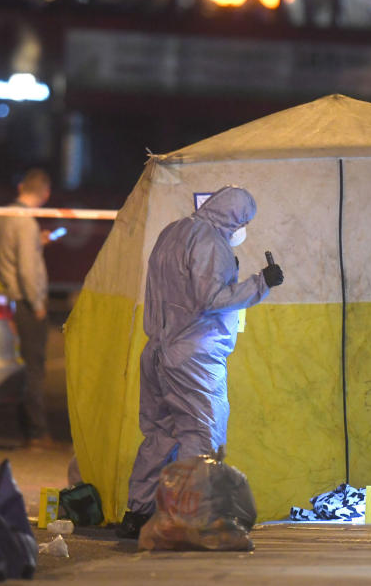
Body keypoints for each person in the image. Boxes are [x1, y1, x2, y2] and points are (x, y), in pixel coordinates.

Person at [116, 186, 284, 538]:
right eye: (246, 220)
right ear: (234, 217)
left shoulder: (173, 232)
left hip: (159, 351)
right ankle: (187, 519)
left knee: (160, 435)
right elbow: (212, 298)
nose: (245, 228)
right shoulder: (210, 243)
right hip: (194, 355)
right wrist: (261, 283)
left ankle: (138, 514)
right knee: (201, 435)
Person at [0, 168, 54, 447]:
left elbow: (6, 255)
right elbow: (27, 270)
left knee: (21, 367)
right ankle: (37, 433)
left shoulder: (2, 215)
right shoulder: (26, 223)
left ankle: (27, 430)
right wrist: (37, 303)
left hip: (5, 298)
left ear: (21, 188)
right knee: (34, 369)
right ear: (45, 193)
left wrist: (36, 244)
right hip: (25, 303)